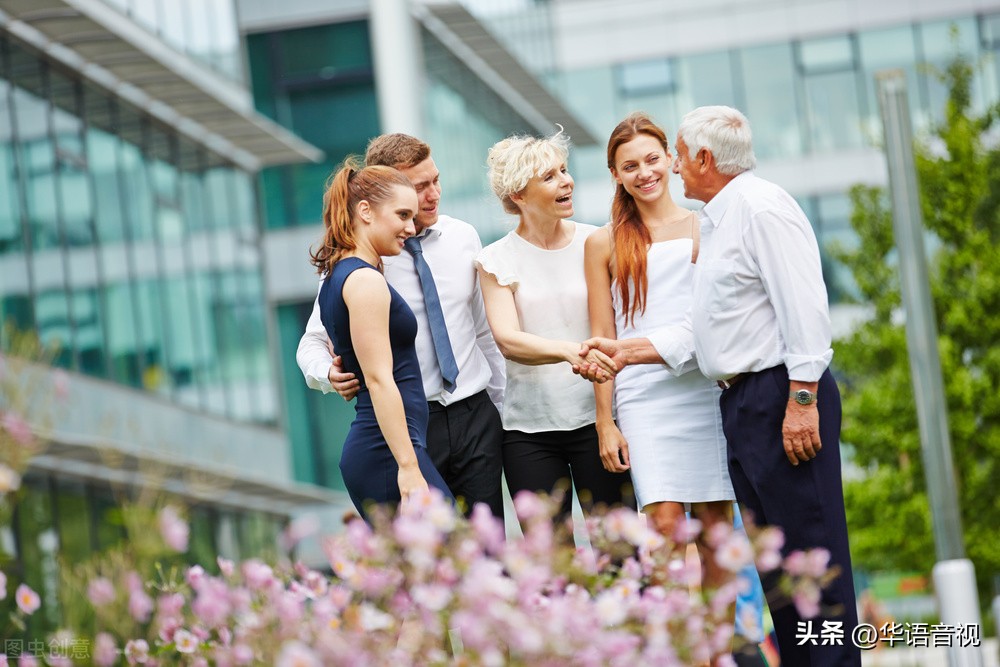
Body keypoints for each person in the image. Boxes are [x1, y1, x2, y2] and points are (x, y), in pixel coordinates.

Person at [578, 106, 861, 666]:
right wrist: (626, 354)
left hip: (780, 395)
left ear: (702, 158)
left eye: (674, 157)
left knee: (811, 555)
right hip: (741, 400)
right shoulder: (720, 219)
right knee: (776, 561)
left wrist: (802, 398)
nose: (673, 171)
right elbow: (705, 327)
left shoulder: (760, 209)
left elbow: (804, 306)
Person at [585, 112, 737, 665]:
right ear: (616, 174)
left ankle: (719, 651)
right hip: (643, 397)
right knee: (667, 528)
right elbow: (603, 337)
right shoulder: (603, 243)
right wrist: (606, 420)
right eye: (630, 166)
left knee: (717, 528)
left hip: (704, 389)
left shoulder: (707, 225)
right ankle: (682, 652)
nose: (645, 172)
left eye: (652, 159)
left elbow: (718, 315)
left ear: (672, 161)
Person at [297, 134, 506, 519]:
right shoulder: (365, 262)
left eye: (436, 181)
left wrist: (501, 410)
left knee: (485, 549)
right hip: (409, 427)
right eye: (418, 187)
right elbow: (313, 342)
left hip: (474, 415)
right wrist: (328, 373)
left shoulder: (463, 237)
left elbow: (482, 333)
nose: (433, 195)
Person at [476, 130, 634, 527]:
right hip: (528, 432)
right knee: (548, 562)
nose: (567, 181)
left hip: (599, 421)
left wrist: (606, 421)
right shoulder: (495, 259)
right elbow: (508, 340)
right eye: (549, 177)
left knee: (620, 553)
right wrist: (570, 351)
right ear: (519, 196)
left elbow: (612, 326)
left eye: (564, 170)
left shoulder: (597, 241)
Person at [309, 158, 453, 521]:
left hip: (387, 449)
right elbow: (377, 379)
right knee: (452, 558)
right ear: (365, 211)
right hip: (388, 452)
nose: (410, 226)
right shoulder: (364, 281)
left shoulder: (343, 275)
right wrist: (408, 467)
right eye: (402, 215)